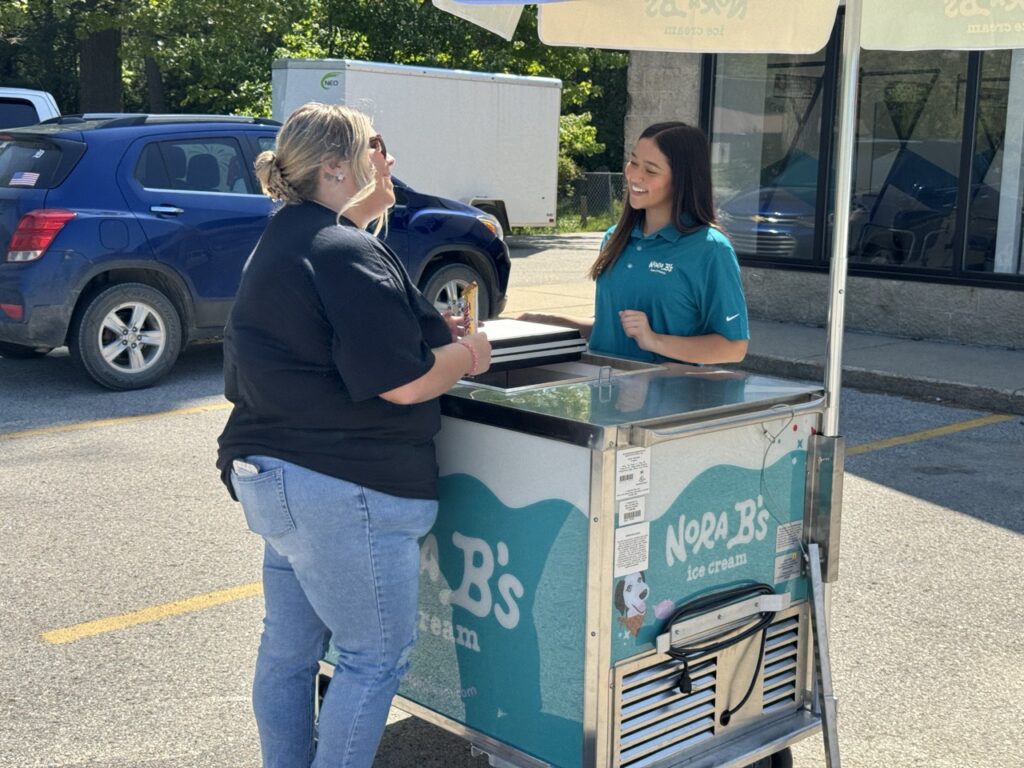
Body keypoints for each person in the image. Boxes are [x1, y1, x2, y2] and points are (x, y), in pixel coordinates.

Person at [216, 102, 491, 768]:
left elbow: (335, 334)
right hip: (344, 488)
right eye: (377, 148)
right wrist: (468, 354)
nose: (387, 160)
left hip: (276, 478)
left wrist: (429, 340)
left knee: (288, 653)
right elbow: (404, 383)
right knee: (373, 659)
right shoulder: (344, 249)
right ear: (338, 166)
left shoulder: (289, 235)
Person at [520, 121, 748, 365]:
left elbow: (732, 347)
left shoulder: (709, 249)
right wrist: (543, 321)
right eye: (633, 162)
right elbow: (611, 329)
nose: (634, 175)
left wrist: (655, 341)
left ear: (682, 180)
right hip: (605, 395)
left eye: (650, 170)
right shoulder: (615, 238)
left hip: (671, 400)